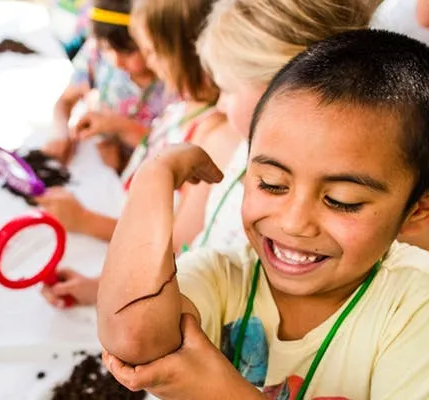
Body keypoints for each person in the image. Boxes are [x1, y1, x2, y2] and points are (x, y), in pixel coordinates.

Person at [98, 29, 429, 399]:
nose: (292, 222)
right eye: (271, 183)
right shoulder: (223, 277)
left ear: (416, 211)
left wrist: (223, 393)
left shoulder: (415, 314)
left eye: (341, 200)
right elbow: (133, 339)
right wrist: (154, 178)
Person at [40, 0, 238, 307]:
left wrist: (85, 222)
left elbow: (176, 246)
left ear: (184, 52)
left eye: (151, 51)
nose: (149, 64)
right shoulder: (184, 105)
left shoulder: (216, 134)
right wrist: (122, 131)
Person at [188, 0, 377, 253]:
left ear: (280, 91)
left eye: (227, 90)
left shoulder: (302, 214)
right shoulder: (244, 149)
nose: (220, 106)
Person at [41, 0, 172, 171]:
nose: (117, 61)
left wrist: (120, 127)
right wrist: (60, 134)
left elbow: (170, 150)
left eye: (128, 51)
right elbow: (65, 101)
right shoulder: (96, 54)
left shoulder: (170, 83)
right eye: (107, 48)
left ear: (152, 43)